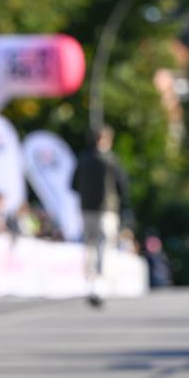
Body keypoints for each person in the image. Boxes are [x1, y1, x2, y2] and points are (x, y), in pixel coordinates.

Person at [71, 125, 130, 306]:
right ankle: (101, 284)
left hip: (87, 208)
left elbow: (72, 185)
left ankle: (90, 283)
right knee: (105, 246)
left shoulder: (82, 160)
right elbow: (122, 187)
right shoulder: (111, 160)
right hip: (107, 210)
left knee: (89, 245)